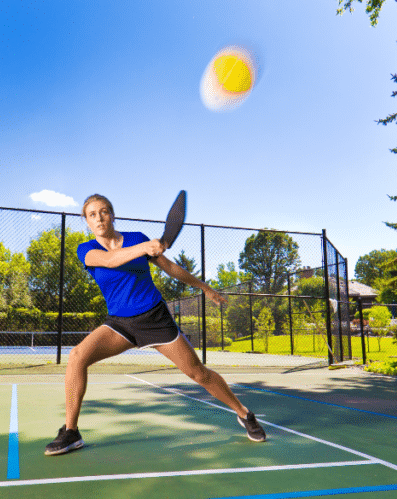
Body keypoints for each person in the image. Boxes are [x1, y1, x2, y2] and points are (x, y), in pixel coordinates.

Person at [45, 194, 266, 456]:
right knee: (77, 356)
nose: (99, 218)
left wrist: (203, 286)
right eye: (92, 214)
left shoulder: (137, 237)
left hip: (154, 319)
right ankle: (71, 432)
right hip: (119, 324)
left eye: (104, 212)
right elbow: (111, 261)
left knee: (198, 373)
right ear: (87, 222)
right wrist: (146, 248)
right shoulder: (87, 250)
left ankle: (244, 413)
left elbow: (170, 267)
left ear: (113, 215)